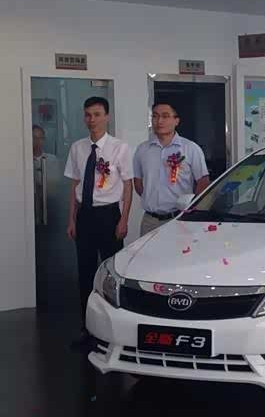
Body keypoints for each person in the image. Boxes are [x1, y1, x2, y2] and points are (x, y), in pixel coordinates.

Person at [64, 97, 133, 347]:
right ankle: (88, 329)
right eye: (88, 115)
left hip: (108, 216)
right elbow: (74, 185)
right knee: (85, 272)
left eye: (96, 114)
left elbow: (128, 186)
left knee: (111, 274)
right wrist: (72, 219)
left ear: (107, 116)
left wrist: (123, 219)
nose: (91, 120)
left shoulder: (119, 148)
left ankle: (113, 331)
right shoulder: (78, 148)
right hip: (85, 215)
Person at [133, 102, 210, 236]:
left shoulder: (190, 148)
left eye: (165, 116)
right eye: (155, 116)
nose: (159, 121)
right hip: (150, 221)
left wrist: (192, 208)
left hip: (180, 219)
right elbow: (138, 183)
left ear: (176, 121)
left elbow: (203, 182)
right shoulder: (142, 149)